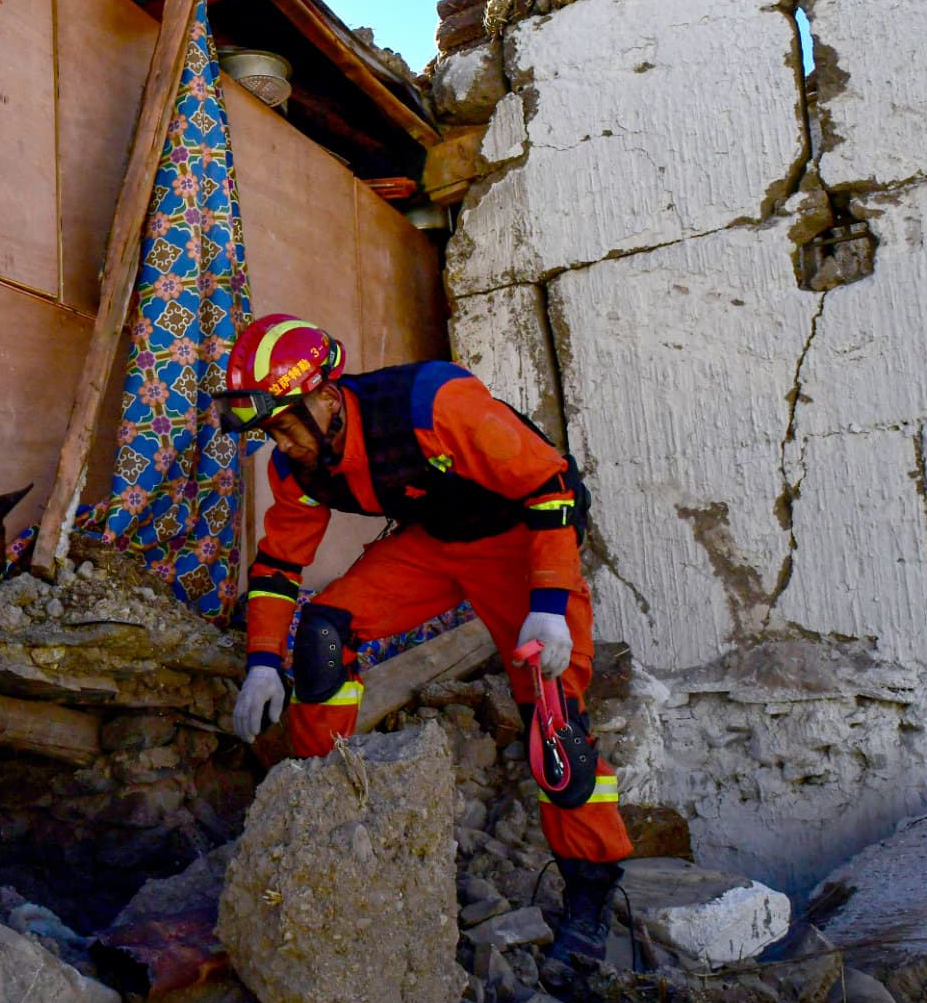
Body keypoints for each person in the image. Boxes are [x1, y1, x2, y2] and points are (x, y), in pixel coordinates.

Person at [218, 314, 633, 962]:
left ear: (326, 397)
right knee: (324, 635)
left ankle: (591, 887)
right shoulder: (299, 466)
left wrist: (549, 602)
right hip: (435, 546)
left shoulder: (431, 406)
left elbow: (549, 482)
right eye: (268, 432)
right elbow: (277, 567)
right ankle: (315, 807)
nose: (282, 444)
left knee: (555, 725)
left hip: (523, 541)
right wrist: (263, 662)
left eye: (283, 424)